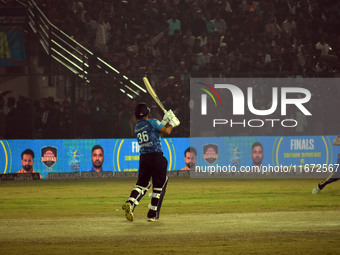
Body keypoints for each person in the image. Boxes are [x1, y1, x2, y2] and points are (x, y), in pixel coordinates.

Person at [122, 103, 180, 222]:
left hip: (144, 158)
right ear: (148, 113)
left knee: (142, 184)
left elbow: (156, 129)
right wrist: (173, 122)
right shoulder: (153, 122)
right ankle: (152, 214)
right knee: (160, 185)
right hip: (157, 157)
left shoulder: (137, 127)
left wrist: (164, 120)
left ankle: (131, 202)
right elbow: (166, 131)